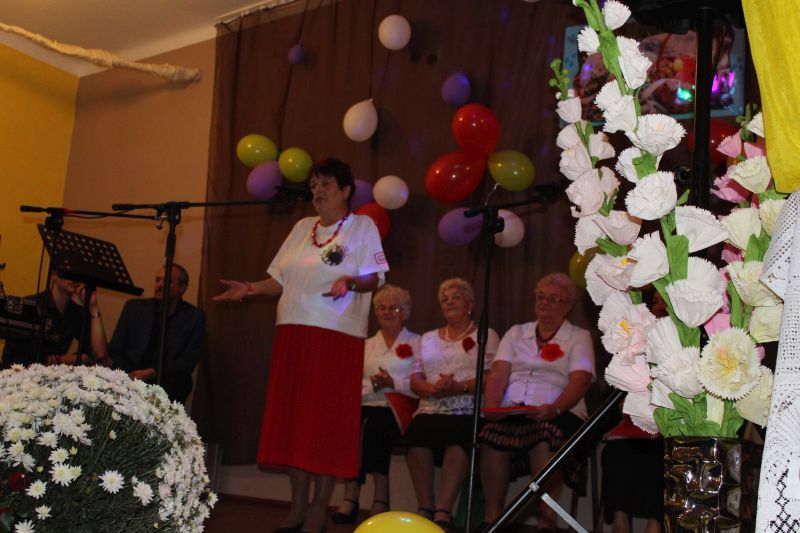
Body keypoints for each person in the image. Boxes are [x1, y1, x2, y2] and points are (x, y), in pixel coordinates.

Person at [213, 157, 389, 533]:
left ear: (345, 190)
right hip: (292, 333)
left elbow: (374, 277)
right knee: (295, 422)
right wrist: (250, 289)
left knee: (323, 423)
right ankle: (297, 508)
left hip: (335, 337)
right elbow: (279, 280)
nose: (317, 191)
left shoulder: (362, 226)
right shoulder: (300, 228)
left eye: (325, 184)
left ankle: (318, 510)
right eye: (313, 185)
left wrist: (349, 281)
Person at [480, 272, 595, 532]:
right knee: (489, 436)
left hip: (561, 411)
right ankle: (493, 519)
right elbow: (498, 374)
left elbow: (580, 381)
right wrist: (493, 407)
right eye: (541, 297)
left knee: (544, 436)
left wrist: (554, 408)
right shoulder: (516, 333)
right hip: (515, 410)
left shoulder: (578, 336)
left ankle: (547, 520)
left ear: (568, 306)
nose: (544, 303)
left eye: (553, 299)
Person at [404, 278, 499, 532]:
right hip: (431, 406)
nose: (449, 302)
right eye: (444, 299)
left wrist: (460, 387)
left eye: (456, 297)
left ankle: (443, 511)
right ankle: (425, 507)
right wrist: (431, 389)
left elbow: (491, 376)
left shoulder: (486, 335)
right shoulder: (427, 338)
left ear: (470, 305)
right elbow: (415, 378)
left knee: (459, 437)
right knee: (416, 436)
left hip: (467, 408)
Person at [332, 284, 421, 524]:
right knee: (350, 423)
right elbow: (353, 383)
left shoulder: (418, 342)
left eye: (394, 307)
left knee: (375, 426)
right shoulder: (366, 345)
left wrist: (393, 382)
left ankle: (379, 497)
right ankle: (352, 493)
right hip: (367, 403)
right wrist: (374, 385)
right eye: (382, 307)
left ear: (405, 312)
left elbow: (420, 382)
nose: (387, 312)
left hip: (401, 407)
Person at [600, 289, 665, 533]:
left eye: (664, 302)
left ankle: (655, 525)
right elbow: (615, 390)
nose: (659, 307)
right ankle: (620, 522)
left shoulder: (688, 342)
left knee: (663, 455)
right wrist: (624, 407)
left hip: (669, 428)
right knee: (616, 451)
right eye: (655, 301)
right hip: (634, 427)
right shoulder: (635, 342)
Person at [109, 263, 205, 404]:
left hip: (169, 385)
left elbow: (187, 362)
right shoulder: (134, 308)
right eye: (158, 280)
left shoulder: (194, 317)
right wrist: (125, 375)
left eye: (168, 281)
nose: (160, 285)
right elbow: (115, 349)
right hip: (130, 377)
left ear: (182, 288)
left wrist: (153, 372)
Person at [2, 271, 109, 368]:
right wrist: (74, 359)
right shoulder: (32, 305)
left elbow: (100, 355)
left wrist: (93, 306)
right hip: (17, 377)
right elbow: (27, 359)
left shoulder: (75, 311)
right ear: (53, 275)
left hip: (50, 378)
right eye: (66, 271)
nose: (73, 278)